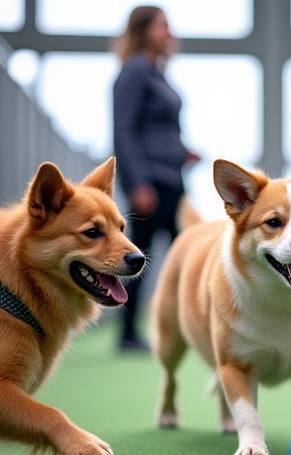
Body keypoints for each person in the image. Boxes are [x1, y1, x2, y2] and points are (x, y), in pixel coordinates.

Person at [113, 5, 200, 351]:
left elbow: (160, 131)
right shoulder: (134, 72)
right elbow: (125, 131)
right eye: (163, 26)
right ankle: (128, 333)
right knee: (139, 257)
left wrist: (183, 152)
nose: (169, 32)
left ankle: (186, 326)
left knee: (186, 253)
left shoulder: (156, 74)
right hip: (150, 183)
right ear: (144, 30)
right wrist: (137, 183)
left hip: (171, 179)